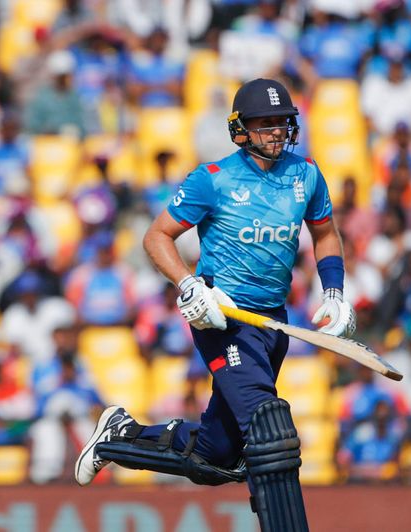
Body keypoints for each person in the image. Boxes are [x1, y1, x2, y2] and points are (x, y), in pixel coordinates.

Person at [74, 79, 355, 532]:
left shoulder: (306, 175)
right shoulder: (213, 179)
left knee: (216, 456)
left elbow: (324, 234)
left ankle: (119, 436)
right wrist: (188, 285)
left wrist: (335, 290)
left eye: (283, 122)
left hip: (272, 322)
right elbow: (156, 236)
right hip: (221, 316)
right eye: (266, 124)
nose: (277, 132)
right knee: (268, 429)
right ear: (240, 129)